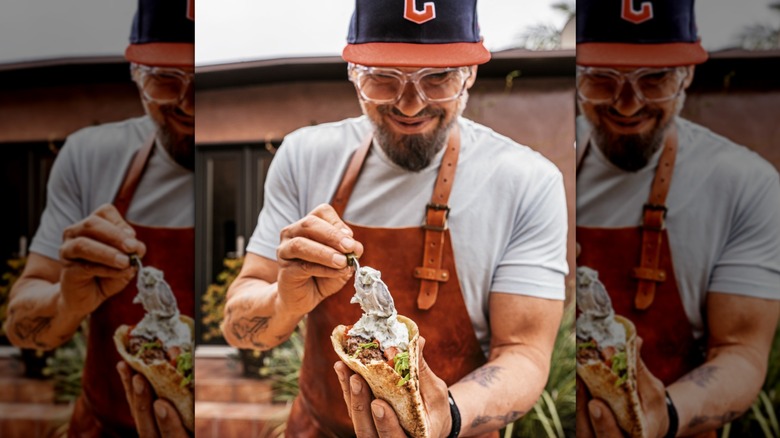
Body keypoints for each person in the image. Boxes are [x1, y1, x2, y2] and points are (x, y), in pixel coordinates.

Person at [222, 0, 569, 436]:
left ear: (470, 75)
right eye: (383, 78)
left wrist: (443, 418)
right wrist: (283, 301)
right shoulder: (304, 157)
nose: (409, 105)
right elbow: (238, 328)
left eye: (438, 78)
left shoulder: (527, 182)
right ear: (353, 73)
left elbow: (524, 352)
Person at [574, 0, 780, 437]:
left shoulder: (746, 185)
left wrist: (661, 415)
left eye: (655, 80)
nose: (628, 106)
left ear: (686, 76)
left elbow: (742, 351)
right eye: (602, 79)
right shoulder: (545, 169)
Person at [3, 0, 194, 436]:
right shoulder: (92, 157)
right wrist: (67, 301)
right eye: (166, 80)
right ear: (136, 76)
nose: (191, 105)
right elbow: (21, 325)